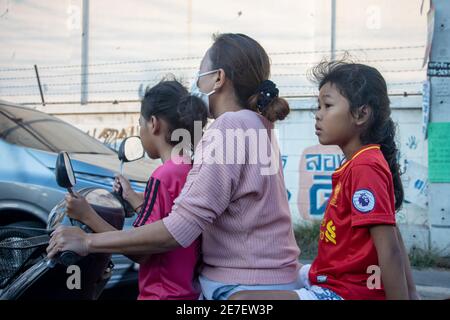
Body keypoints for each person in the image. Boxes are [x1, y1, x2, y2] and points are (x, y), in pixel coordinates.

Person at [46, 33, 301, 300]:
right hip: (275, 280)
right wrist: (136, 200)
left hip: (241, 286)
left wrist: (88, 241)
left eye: (201, 72)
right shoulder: (260, 125)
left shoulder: (229, 127)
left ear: (219, 78)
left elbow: (180, 228)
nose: (196, 81)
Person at [229, 61, 418, 300]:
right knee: (271, 274)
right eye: (318, 106)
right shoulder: (358, 164)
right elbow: (395, 237)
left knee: (240, 301)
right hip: (331, 277)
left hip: (346, 292)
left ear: (361, 114)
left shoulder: (365, 167)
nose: (317, 115)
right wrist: (413, 294)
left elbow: (390, 249)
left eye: (327, 106)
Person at [61, 79, 208, 299]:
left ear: (154, 123)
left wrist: (88, 216)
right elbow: (167, 225)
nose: (139, 131)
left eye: (140, 123)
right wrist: (132, 197)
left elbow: (141, 251)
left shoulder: (163, 176)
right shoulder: (188, 169)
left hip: (159, 294)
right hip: (188, 293)